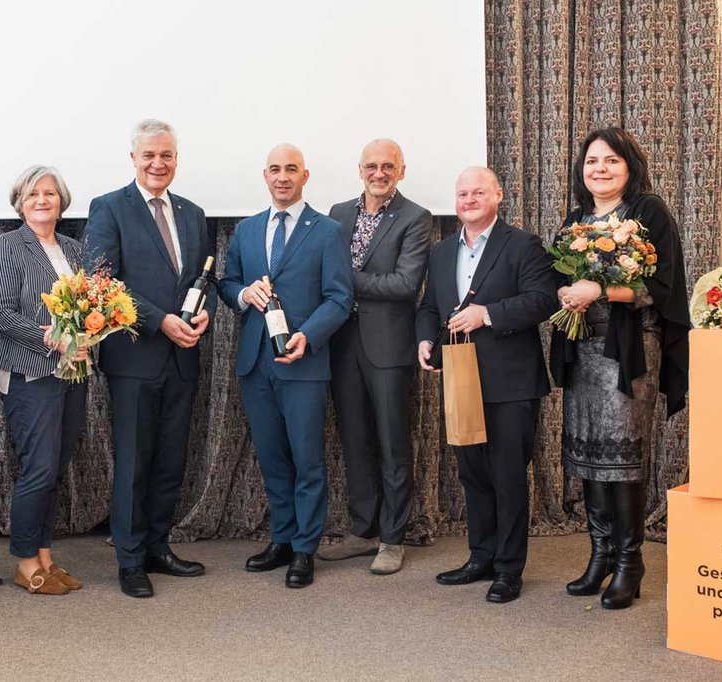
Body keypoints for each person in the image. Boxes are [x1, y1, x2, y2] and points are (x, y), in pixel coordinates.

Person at [552, 127, 690, 610]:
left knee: (623, 455)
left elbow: (665, 287)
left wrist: (603, 291)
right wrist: (567, 292)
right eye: (592, 161)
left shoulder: (648, 212)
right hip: (583, 349)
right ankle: (600, 555)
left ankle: (631, 563)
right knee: (589, 451)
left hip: (630, 351)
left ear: (629, 167)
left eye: (611, 160)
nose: (600, 169)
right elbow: (558, 276)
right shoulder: (575, 220)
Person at [83, 119, 216, 598]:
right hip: (135, 357)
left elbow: (206, 279)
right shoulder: (109, 208)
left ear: (177, 159)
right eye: (149, 156)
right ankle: (131, 560)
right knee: (135, 461)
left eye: (167, 156)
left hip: (183, 356)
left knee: (170, 461)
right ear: (133, 159)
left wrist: (204, 318)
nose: (158, 164)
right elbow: (105, 282)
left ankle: (159, 546)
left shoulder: (194, 213)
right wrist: (160, 320)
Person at [416, 167, 557, 604]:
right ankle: (481, 556)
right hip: (460, 377)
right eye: (462, 193)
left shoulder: (523, 245)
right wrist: (423, 339)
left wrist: (487, 314)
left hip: (511, 381)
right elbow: (427, 306)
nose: (469, 199)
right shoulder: (441, 253)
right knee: (472, 472)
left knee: (508, 475)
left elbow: (543, 300)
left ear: (498, 195)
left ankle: (509, 569)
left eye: (479, 191)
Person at [219, 144, 353, 588]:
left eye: (290, 169)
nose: (282, 177)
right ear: (265, 175)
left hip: (303, 363)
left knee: (307, 460)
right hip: (256, 363)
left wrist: (308, 336)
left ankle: (305, 549)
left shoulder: (328, 231)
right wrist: (243, 295)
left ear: (305, 176)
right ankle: (281, 537)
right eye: (275, 169)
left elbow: (340, 298)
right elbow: (228, 283)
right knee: (273, 458)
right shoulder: (247, 229)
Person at [321, 139, 433, 575]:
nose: (379, 173)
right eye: (372, 165)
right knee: (353, 441)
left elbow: (405, 284)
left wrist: (342, 280)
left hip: (388, 346)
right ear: (359, 169)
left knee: (391, 443)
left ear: (401, 171)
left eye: (389, 166)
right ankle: (362, 530)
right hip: (341, 344)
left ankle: (392, 537)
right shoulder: (337, 214)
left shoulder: (416, 217)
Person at [0, 165, 89, 596]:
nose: (42, 200)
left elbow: (85, 309)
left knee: (56, 468)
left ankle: (45, 554)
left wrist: (87, 337)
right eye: (33, 195)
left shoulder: (74, 249)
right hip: (30, 373)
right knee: (38, 469)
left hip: (72, 374)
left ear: (61, 200)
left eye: (49, 193)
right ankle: (26, 561)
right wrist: (54, 339)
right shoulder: (8, 246)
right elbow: (1, 313)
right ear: (20, 204)